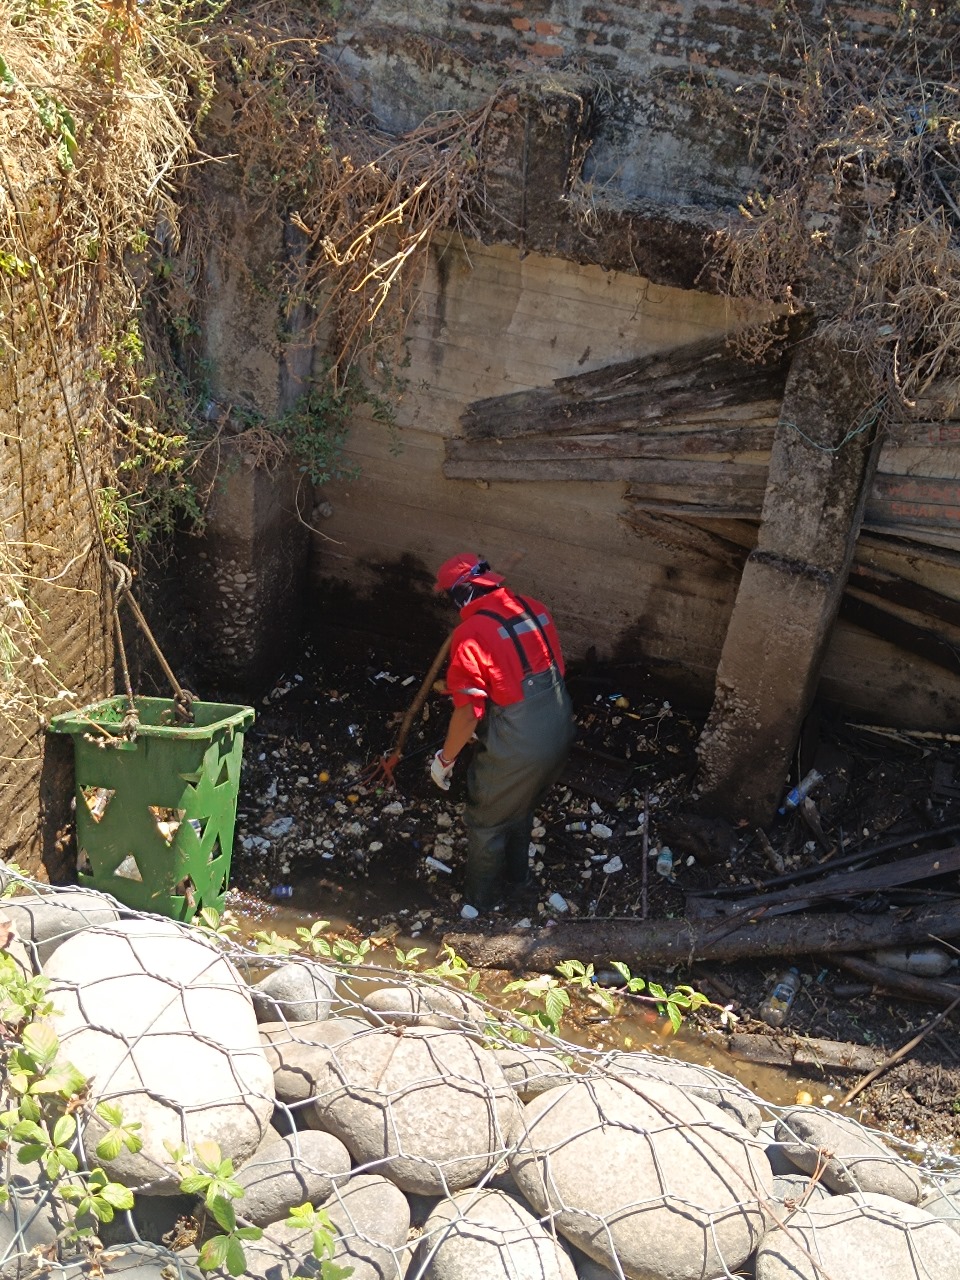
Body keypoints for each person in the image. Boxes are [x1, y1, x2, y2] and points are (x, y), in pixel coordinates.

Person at [429, 553, 576, 910]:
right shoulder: (533, 608)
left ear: (461, 595)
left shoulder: (470, 635)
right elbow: (556, 669)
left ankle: (476, 906)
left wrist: (445, 759)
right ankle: (519, 881)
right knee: (520, 804)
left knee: (486, 819)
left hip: (522, 744)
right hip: (559, 726)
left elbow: (468, 715)